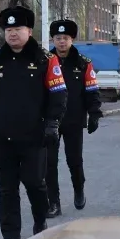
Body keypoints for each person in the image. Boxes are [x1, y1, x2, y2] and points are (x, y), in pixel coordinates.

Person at [0, 5, 67, 239]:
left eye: (18, 28)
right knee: (7, 188)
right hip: (3, 136)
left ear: (29, 31)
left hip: (34, 136)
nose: (13, 33)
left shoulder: (45, 60)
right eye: (8, 30)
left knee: (34, 183)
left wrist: (52, 123)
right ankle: (10, 235)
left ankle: (40, 224)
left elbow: (58, 94)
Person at [46, 19, 102, 217]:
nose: (62, 42)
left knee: (74, 160)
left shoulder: (83, 63)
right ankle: (53, 202)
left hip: (74, 119)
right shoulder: (44, 61)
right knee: (49, 163)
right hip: (50, 121)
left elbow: (92, 91)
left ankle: (79, 190)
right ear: (53, 40)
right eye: (58, 38)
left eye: (65, 38)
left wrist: (94, 114)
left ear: (72, 40)